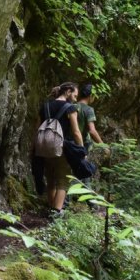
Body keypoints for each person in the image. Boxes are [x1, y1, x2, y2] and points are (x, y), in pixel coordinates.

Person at [35, 82, 83, 213]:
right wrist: (81, 149)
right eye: (74, 95)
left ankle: (51, 208)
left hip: (44, 147)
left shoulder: (45, 106)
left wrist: (34, 149)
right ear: (68, 92)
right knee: (63, 181)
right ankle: (56, 211)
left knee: (50, 179)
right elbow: (76, 132)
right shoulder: (70, 108)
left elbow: (37, 129)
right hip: (62, 148)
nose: (75, 98)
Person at [76, 84, 104, 151]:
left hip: (69, 142)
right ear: (91, 96)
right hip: (83, 144)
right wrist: (103, 146)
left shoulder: (72, 106)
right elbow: (92, 131)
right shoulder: (88, 109)